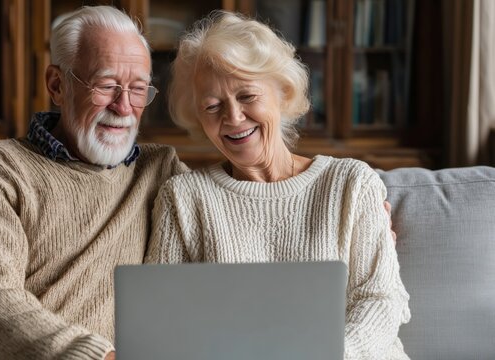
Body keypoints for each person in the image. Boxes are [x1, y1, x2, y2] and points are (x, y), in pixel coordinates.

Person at [145, 11, 411, 359]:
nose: (234, 118)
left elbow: (380, 300)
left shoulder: (351, 183)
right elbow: (162, 320)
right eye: (212, 106)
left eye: (247, 96)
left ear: (282, 93)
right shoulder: (184, 198)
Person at [0, 6, 187, 360]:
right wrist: (89, 354)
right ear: (57, 84)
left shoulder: (160, 168)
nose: (124, 106)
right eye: (106, 85)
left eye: (138, 89)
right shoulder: (1, 166)